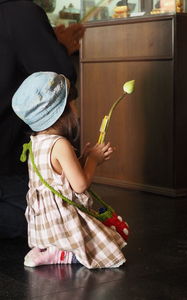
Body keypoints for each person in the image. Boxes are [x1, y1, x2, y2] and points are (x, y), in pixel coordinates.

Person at [12, 71, 127, 269]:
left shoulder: (36, 141)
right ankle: (64, 253)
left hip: (44, 221)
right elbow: (80, 185)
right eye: (72, 103)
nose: (76, 108)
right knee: (103, 245)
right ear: (61, 112)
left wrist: (82, 158)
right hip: (62, 219)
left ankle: (46, 248)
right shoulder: (60, 144)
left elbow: (58, 175)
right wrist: (93, 159)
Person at [0, 0, 85, 238]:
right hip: (10, 172)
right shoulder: (19, 13)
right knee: (68, 217)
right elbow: (57, 82)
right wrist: (63, 46)